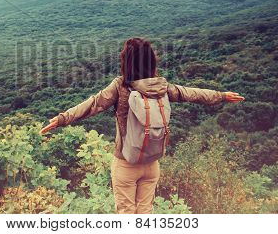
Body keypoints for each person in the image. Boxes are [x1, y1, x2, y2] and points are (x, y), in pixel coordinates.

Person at [40, 37, 245, 214]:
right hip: (152, 163)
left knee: (126, 216)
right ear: (151, 61)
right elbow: (190, 93)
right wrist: (221, 96)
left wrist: (62, 119)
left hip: (126, 164)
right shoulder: (161, 86)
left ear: (126, 62)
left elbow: (94, 104)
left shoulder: (121, 86)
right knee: (145, 215)